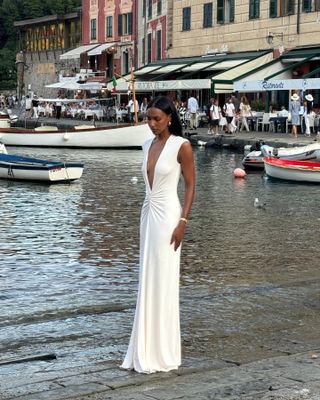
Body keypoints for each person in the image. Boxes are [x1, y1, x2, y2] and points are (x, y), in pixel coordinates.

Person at [121, 96, 195, 374]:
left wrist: (183, 221)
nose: (151, 124)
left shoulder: (181, 146)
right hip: (147, 215)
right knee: (147, 278)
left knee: (163, 279)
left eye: (157, 119)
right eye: (148, 118)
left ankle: (162, 350)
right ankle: (143, 347)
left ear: (170, 118)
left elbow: (190, 186)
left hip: (168, 218)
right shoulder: (146, 144)